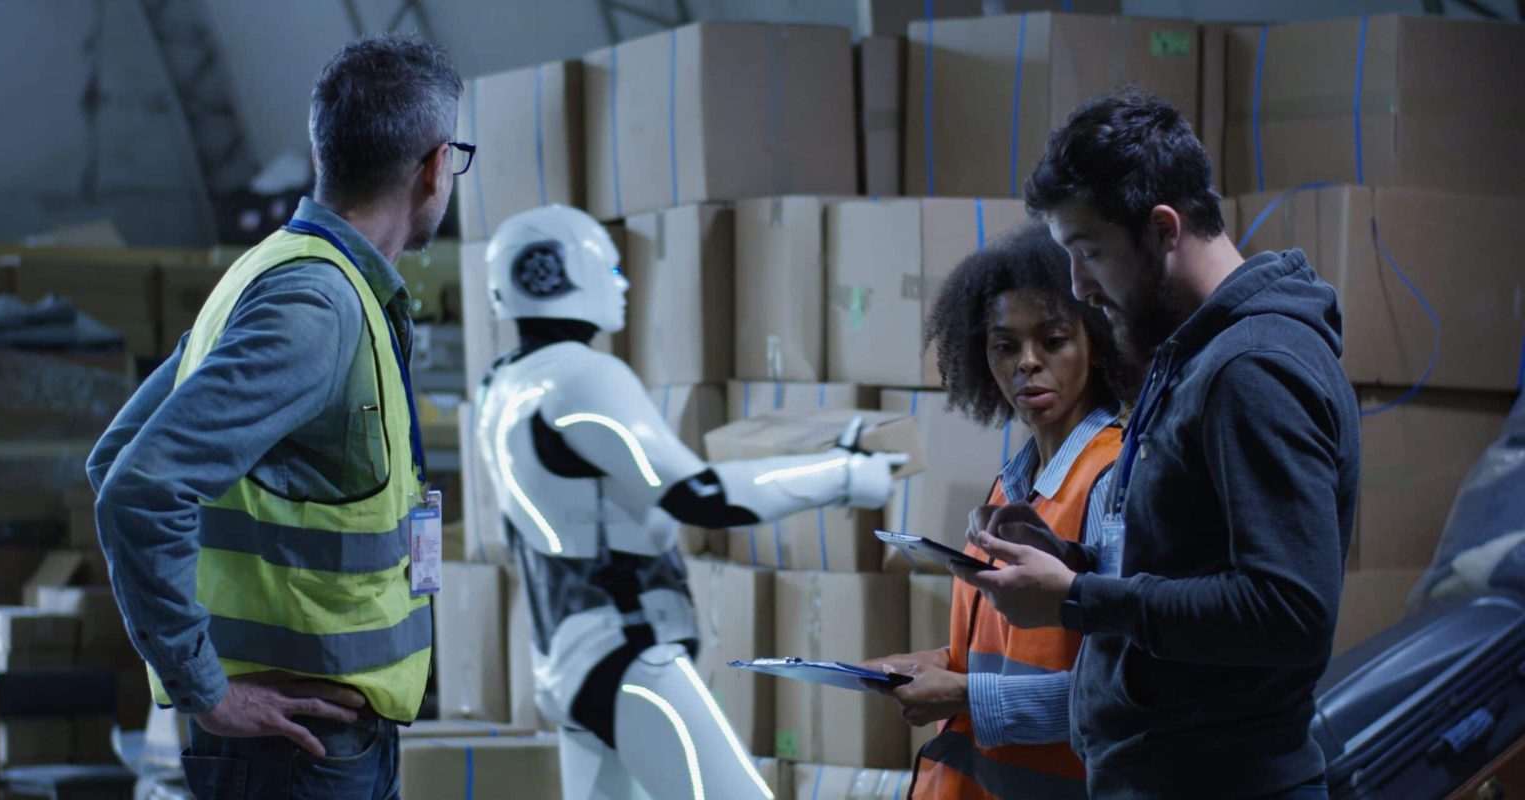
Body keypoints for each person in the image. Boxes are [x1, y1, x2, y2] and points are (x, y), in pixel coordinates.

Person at [85, 35, 466, 800]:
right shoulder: (314, 307)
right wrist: (204, 689)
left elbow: (114, 455)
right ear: (434, 166)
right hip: (296, 750)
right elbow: (137, 487)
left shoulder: (274, 272)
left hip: (316, 742)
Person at [951, 88, 1360, 800]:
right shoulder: (1195, 357)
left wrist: (1078, 599)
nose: (1079, 286)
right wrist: (1069, 561)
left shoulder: (1250, 368)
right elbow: (1193, 562)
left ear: (1164, 229)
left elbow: (1289, 613)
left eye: (1089, 253)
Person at [473, 204, 906, 800]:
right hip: (624, 652)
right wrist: (847, 475)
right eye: (612, 268)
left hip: (566, 656)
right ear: (560, 272)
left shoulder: (501, 384)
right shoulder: (582, 378)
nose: (622, 285)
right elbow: (699, 496)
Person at [862, 223, 1130, 799]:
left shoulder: (1112, 480)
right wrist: (935, 664)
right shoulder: (1010, 487)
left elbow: (1124, 690)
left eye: (1053, 340)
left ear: (1095, 342)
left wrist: (960, 694)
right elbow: (1014, 655)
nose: (1027, 364)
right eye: (1004, 346)